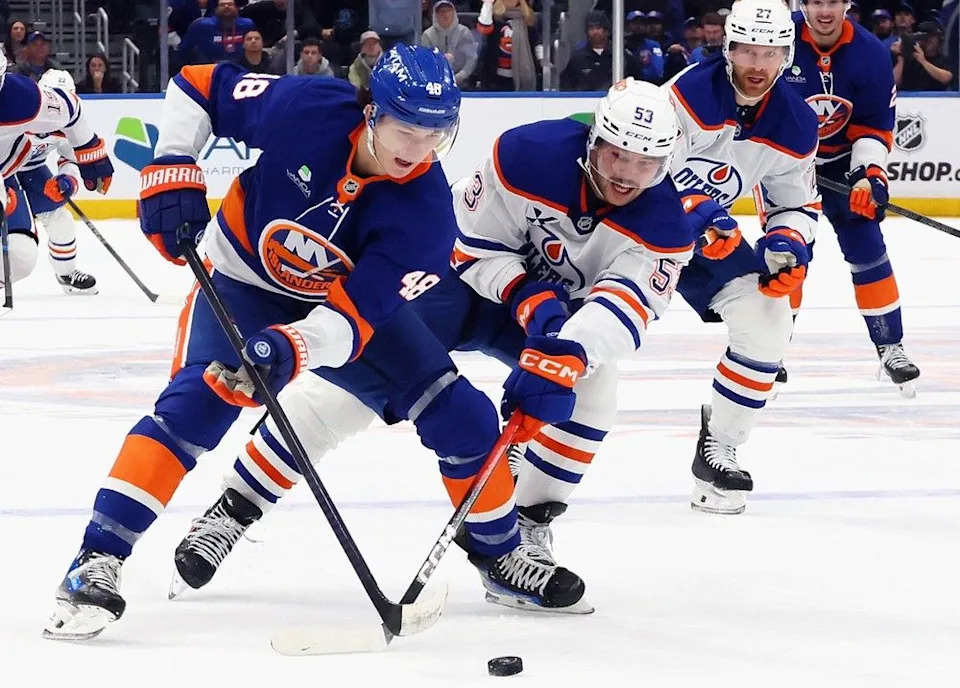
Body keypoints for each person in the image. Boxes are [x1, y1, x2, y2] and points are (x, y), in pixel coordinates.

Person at [41, 46, 563, 642]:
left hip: (337, 311)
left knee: (463, 417)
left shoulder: (426, 218)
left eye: (434, 135)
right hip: (241, 282)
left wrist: (294, 346)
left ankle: (500, 555)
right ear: (371, 111)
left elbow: (351, 321)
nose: (418, 150)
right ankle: (95, 561)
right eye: (406, 129)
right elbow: (199, 84)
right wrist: (172, 164)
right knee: (194, 406)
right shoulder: (306, 106)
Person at [167, 78, 694, 613]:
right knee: (345, 394)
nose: (626, 173)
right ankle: (235, 506)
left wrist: (564, 355)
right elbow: (467, 246)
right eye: (616, 154)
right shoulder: (527, 154)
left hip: (545, 322)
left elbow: (622, 308)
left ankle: (520, 535)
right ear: (593, 141)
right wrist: (529, 298)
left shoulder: (666, 226)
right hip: (449, 286)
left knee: (591, 387)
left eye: (646, 163)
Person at [661, 0, 820, 514]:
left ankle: (720, 447)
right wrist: (698, 211)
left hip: (710, 238)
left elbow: (797, 203)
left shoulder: (796, 122)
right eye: (748, 50)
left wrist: (788, 241)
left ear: (787, 56)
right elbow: (640, 177)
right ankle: (525, 441)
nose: (758, 64)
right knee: (581, 335)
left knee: (769, 318)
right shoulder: (685, 95)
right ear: (727, 49)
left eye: (770, 53)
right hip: (629, 232)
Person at [789, 0, 920, 396]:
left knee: (868, 250)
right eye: (816, 1)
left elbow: (873, 126)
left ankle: (890, 345)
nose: (824, 10)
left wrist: (868, 175)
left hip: (845, 164)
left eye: (833, 0)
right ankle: (766, 350)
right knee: (787, 254)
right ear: (803, 4)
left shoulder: (871, 55)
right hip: (785, 164)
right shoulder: (778, 40)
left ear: (846, 3)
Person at [0, 57, 114, 292]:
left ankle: (67, 273)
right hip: (8, 173)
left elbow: (71, 158)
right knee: (18, 242)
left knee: (60, 221)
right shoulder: (24, 111)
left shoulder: (58, 122)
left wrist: (67, 180)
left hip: (33, 172)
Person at [419, 0, 478, 88]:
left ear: (454, 13)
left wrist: (460, 77)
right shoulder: (427, 35)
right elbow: (424, 61)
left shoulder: (464, 32)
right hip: (435, 83)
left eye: (448, 11)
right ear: (435, 15)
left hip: (463, 83)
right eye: (441, 11)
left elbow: (471, 59)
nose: (445, 14)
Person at [178, 0, 254, 66]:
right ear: (216, 8)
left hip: (240, 69)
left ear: (236, 8)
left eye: (230, 4)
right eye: (222, 4)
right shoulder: (202, 25)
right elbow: (184, 50)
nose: (226, 6)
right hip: (208, 70)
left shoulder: (247, 24)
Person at [893, 21, 954, 91]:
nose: (928, 41)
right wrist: (900, 56)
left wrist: (923, 61)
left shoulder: (943, 60)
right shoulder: (911, 60)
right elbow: (894, 82)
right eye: (925, 38)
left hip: (934, 96)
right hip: (910, 96)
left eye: (932, 37)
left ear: (938, 39)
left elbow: (946, 78)